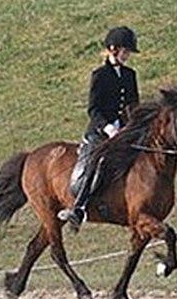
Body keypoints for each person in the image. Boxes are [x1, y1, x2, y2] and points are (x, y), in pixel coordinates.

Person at [58, 26, 140, 231]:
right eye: (126, 52)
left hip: (124, 131)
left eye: (128, 52)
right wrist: (110, 128)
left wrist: (132, 125)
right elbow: (94, 109)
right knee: (97, 161)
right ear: (113, 50)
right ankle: (79, 207)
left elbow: (132, 104)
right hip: (100, 131)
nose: (128, 56)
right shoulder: (100, 75)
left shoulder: (130, 74)